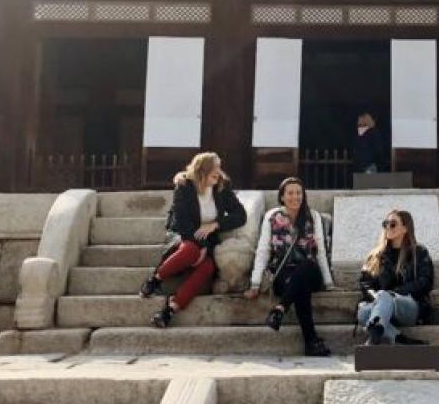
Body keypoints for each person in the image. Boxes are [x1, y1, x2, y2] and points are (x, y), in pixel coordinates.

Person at [141, 151, 247, 328]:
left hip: (209, 238)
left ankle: (169, 311)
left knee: (208, 267)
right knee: (191, 250)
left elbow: (240, 215)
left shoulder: (222, 186)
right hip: (182, 235)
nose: (218, 172)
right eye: (214, 168)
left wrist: (216, 224)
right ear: (202, 169)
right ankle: (155, 280)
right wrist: (201, 246)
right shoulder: (185, 186)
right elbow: (181, 223)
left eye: (219, 167)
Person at [245, 177, 334, 357]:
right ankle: (311, 342)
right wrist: (255, 283)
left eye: (299, 193)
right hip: (283, 274)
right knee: (301, 288)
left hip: (311, 272)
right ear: (282, 197)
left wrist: (328, 281)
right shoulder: (272, 217)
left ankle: (280, 309)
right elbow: (263, 250)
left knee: (306, 266)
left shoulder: (313, 216)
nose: (295, 197)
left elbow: (321, 251)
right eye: (291, 193)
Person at [358, 209, 434, 344]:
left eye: (393, 224)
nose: (388, 227)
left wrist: (392, 294)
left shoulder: (419, 252)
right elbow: (365, 284)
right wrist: (378, 298)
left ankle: (377, 338)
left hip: (409, 305)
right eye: (385, 223)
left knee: (381, 300)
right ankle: (397, 337)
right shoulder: (376, 255)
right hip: (380, 305)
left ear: (405, 228)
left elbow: (425, 282)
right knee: (363, 313)